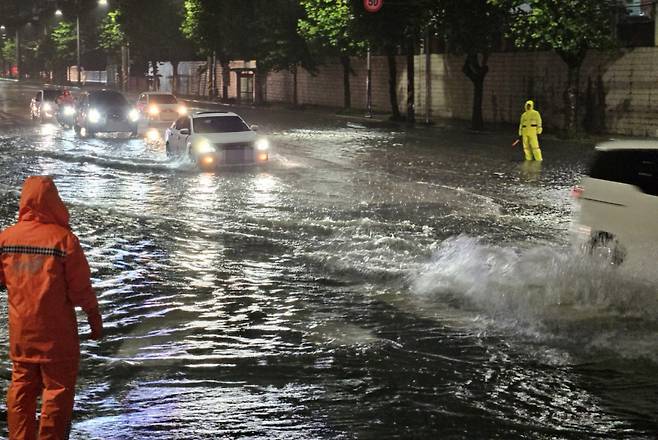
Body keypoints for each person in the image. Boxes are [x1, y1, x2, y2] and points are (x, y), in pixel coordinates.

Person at [0, 176, 103, 440]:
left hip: (21, 334)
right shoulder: (64, 240)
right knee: (57, 392)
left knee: (21, 389)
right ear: (54, 202)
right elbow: (80, 289)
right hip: (57, 337)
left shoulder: (6, 239)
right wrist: (94, 318)